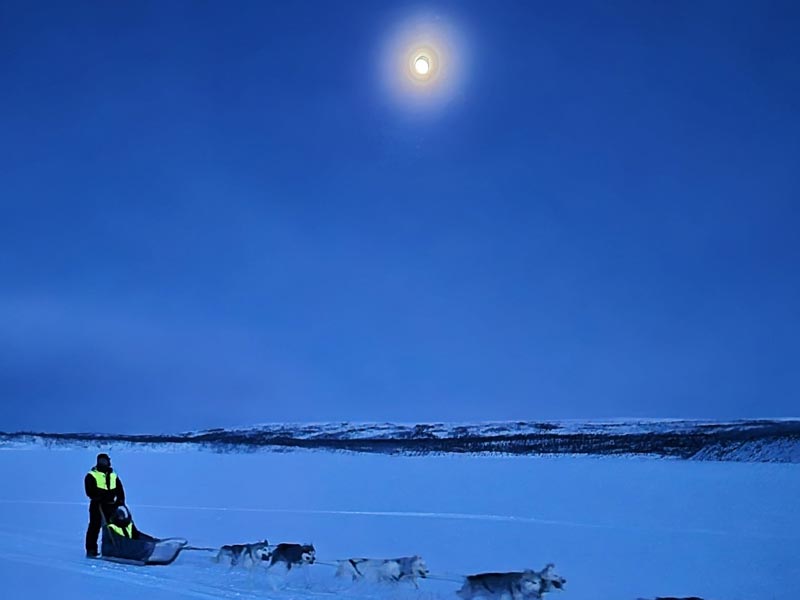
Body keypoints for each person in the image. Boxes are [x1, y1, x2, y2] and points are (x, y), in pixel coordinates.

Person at [84, 453, 125, 557]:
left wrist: (120, 499)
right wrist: (98, 497)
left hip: (111, 505)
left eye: (105, 461)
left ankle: (113, 547)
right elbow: (89, 491)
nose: (103, 463)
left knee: (115, 526)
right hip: (97, 505)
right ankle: (91, 549)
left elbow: (119, 489)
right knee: (95, 526)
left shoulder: (113, 475)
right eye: (101, 461)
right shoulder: (91, 475)